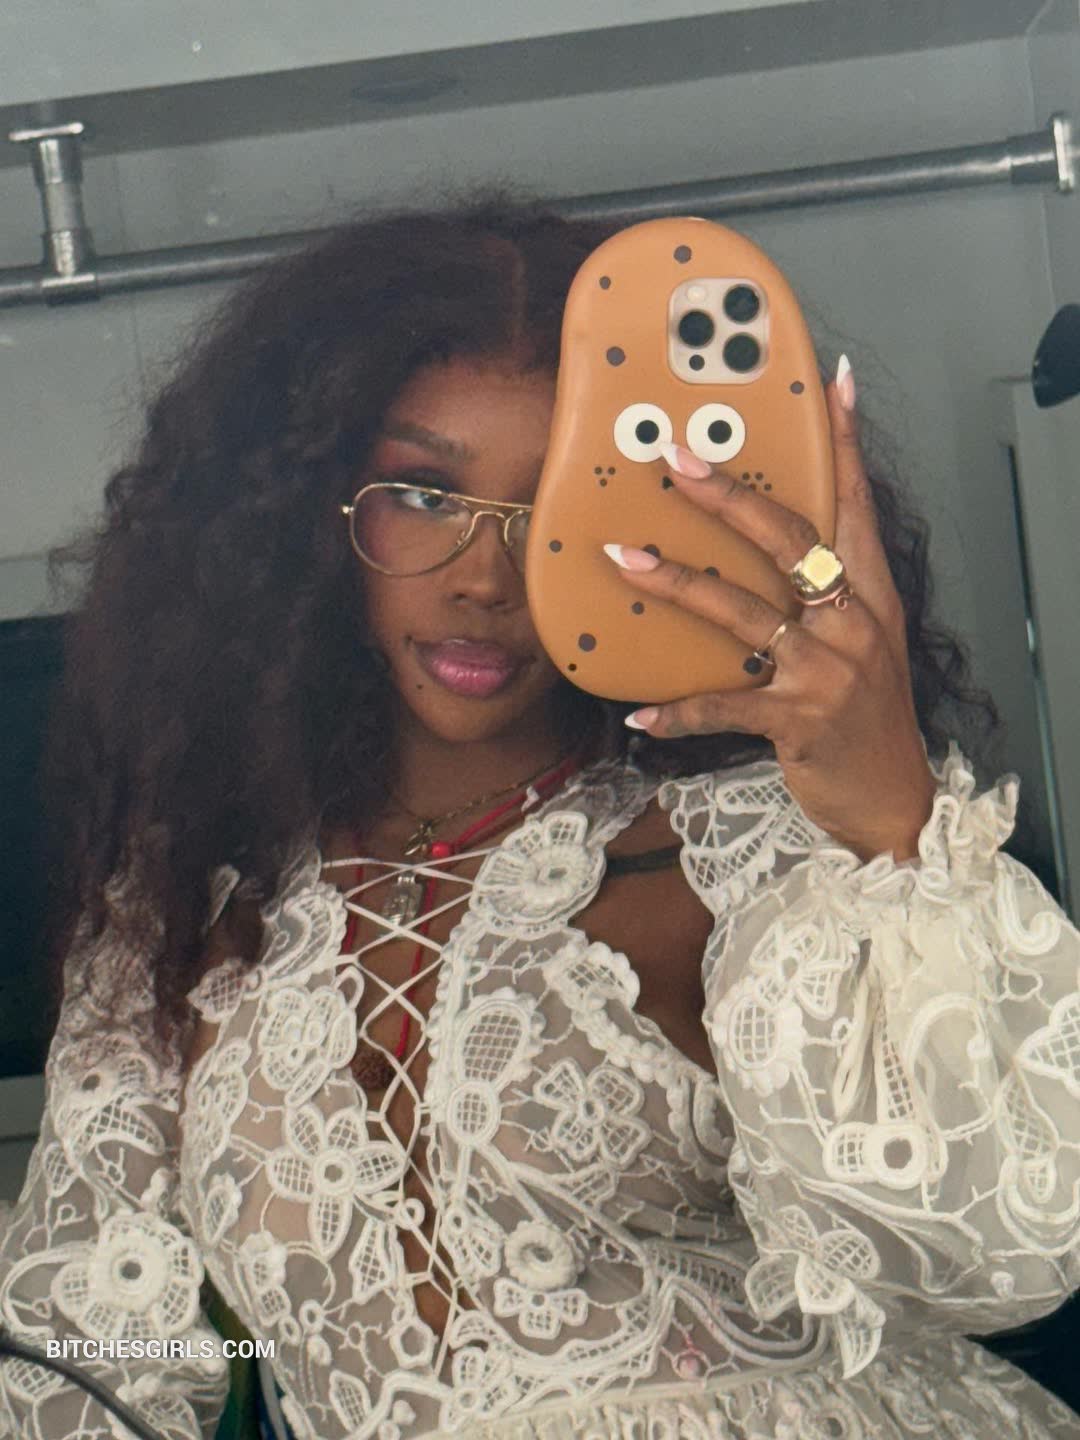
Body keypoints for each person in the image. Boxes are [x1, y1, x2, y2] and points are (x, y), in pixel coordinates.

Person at [1, 195, 1078, 1440]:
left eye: (558, 505)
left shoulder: (756, 845)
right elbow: (95, 1347)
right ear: (304, 518)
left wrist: (892, 821)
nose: (486, 576)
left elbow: (997, 1259)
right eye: (423, 492)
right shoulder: (186, 914)